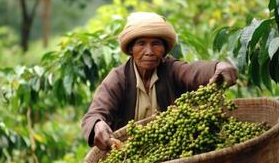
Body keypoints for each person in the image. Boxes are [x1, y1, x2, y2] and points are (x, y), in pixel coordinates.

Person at [81, 12, 238, 151]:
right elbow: (95, 113)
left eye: (156, 44)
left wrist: (217, 67)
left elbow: (192, 71)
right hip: (127, 155)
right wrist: (97, 125)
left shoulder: (171, 69)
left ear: (164, 50)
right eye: (141, 43)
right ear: (130, 49)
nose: (149, 51)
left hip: (171, 152)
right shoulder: (118, 78)